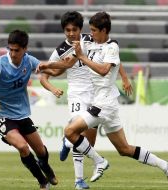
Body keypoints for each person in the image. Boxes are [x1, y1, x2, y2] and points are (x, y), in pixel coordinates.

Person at [68, 11, 168, 189]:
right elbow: (116, 63)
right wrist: (49, 66)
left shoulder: (112, 46)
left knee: (70, 132)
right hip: (105, 102)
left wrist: (82, 57)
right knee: (124, 149)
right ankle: (166, 166)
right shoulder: (91, 42)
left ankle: (100, 162)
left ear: (104, 30)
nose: (91, 33)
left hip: (104, 104)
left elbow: (104, 69)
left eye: (94, 30)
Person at [39, 11, 132, 189]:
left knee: (86, 143)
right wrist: (52, 86)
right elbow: (48, 75)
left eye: (74, 29)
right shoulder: (59, 50)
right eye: (67, 30)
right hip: (76, 94)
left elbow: (112, 60)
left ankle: (70, 145)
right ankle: (78, 180)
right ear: (63, 30)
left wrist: (125, 78)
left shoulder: (90, 40)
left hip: (95, 94)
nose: (71, 33)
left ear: (80, 29)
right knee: (77, 134)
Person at [0, 30, 59, 190]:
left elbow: (49, 70)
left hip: (21, 114)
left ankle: (45, 167)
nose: (12, 53)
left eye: (16, 50)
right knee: (23, 147)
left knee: (40, 150)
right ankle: (42, 181)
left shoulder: (29, 61)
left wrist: (63, 66)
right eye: (9, 49)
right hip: (0, 115)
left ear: (25, 49)